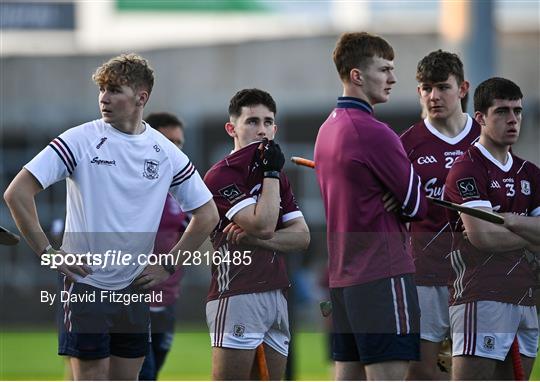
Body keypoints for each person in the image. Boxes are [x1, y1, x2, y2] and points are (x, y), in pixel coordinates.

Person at [3, 54, 219, 380]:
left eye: (115, 90)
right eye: (102, 90)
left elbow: (207, 214)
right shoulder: (80, 139)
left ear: (141, 97)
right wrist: (48, 254)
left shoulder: (165, 151)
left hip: (134, 290)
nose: (104, 97)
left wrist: (169, 264)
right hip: (85, 286)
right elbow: (16, 193)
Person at [313, 32, 428, 381]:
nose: (393, 79)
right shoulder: (375, 132)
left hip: (344, 280)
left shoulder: (326, 129)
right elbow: (417, 203)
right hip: (382, 276)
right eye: (385, 69)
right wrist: (402, 192)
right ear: (357, 76)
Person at [203, 88, 310, 380]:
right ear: (232, 128)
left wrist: (253, 238)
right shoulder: (221, 174)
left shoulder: (275, 175)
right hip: (238, 293)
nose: (261, 130)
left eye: (267, 122)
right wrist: (271, 174)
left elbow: (302, 237)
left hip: (276, 294)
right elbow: (263, 224)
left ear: (274, 128)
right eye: (252, 122)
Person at [444, 77, 540, 380]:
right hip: (481, 296)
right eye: (501, 111)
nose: (512, 120)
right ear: (481, 118)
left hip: (527, 299)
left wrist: (510, 220)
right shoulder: (466, 168)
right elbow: (483, 236)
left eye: (518, 111)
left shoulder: (531, 173)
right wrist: (529, 232)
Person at [400, 50, 481, 380]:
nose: (433, 96)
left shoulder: (486, 141)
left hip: (478, 277)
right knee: (422, 370)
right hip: (424, 274)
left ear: (462, 88)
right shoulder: (406, 145)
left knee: (477, 369)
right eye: (425, 88)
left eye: (442, 87)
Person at [138, 112, 191, 380]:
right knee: (141, 374)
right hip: (133, 299)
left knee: (153, 371)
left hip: (167, 298)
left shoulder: (183, 190)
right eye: (168, 141)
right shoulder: (133, 185)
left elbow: (198, 230)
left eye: (179, 143)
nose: (175, 149)